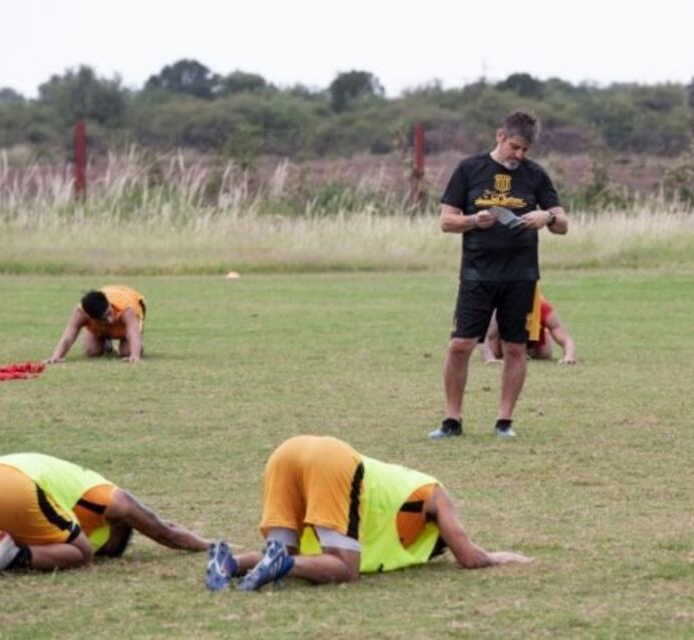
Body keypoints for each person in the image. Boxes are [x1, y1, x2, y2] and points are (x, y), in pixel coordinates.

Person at [204, 435, 530, 591]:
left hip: (285, 452)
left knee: (282, 553)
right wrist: (502, 557)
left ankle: (227, 563)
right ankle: (281, 565)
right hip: (333, 459)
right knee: (345, 569)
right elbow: (469, 556)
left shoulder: (404, 485)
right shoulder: (436, 494)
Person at [431, 110, 568, 439]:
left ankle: (504, 422)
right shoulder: (469, 169)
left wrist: (546, 217)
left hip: (521, 276)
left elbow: (563, 224)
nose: (518, 156)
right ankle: (452, 420)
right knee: (460, 345)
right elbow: (446, 221)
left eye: (525, 151)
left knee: (516, 347)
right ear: (500, 136)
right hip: (477, 274)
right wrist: (474, 221)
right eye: (515, 148)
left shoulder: (535, 175)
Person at [0, 453, 210, 579]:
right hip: (13, 485)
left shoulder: (72, 479)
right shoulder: (107, 495)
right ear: (117, 524)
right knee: (82, 554)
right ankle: (13, 556)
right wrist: (209, 545)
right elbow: (163, 530)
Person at [46, 285, 146, 364]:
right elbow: (68, 336)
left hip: (127, 320)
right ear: (90, 317)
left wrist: (135, 356)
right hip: (98, 326)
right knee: (92, 351)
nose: (110, 320)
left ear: (108, 303)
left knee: (127, 352)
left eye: (109, 313)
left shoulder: (126, 308)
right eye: (104, 319)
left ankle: (134, 345)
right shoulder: (81, 313)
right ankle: (107, 343)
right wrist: (56, 356)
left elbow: (133, 333)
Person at [481, 296, 576, 365]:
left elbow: (566, 340)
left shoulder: (542, 307)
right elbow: (484, 335)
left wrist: (569, 356)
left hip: (533, 338)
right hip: (503, 333)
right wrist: (489, 357)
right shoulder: (502, 308)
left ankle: (531, 343)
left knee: (543, 354)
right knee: (496, 352)